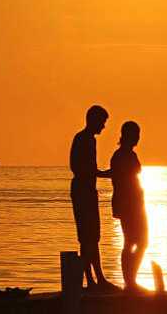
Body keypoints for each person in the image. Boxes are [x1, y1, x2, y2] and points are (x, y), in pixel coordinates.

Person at [69, 105, 116, 291]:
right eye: (102, 122)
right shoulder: (83, 139)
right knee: (87, 237)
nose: (104, 126)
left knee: (92, 237)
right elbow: (78, 167)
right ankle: (93, 280)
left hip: (87, 190)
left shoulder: (89, 140)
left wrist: (101, 174)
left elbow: (88, 169)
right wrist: (104, 174)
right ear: (94, 120)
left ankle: (95, 279)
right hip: (82, 191)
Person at [109, 121, 148, 294]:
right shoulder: (121, 156)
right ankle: (129, 281)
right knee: (131, 241)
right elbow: (119, 180)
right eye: (136, 135)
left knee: (141, 242)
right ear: (128, 135)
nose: (138, 138)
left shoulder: (130, 154)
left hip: (136, 204)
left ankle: (131, 279)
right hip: (128, 205)